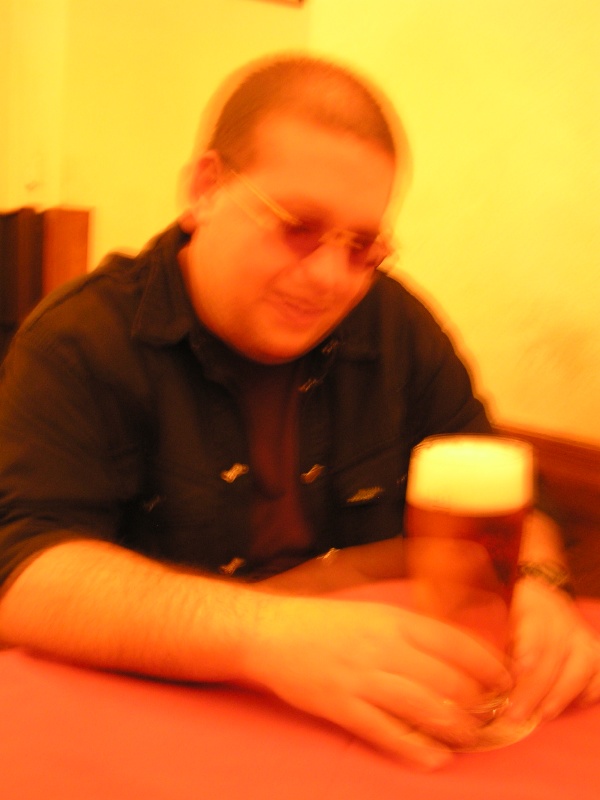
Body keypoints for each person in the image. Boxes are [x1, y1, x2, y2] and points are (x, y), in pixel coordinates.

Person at [0, 54, 598, 771]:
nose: (329, 277)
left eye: (363, 246)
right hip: (153, 736)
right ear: (206, 189)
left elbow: (511, 489)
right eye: (298, 227)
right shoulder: (81, 339)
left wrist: (540, 582)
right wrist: (269, 635)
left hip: (371, 735)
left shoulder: (393, 324)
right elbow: (23, 574)